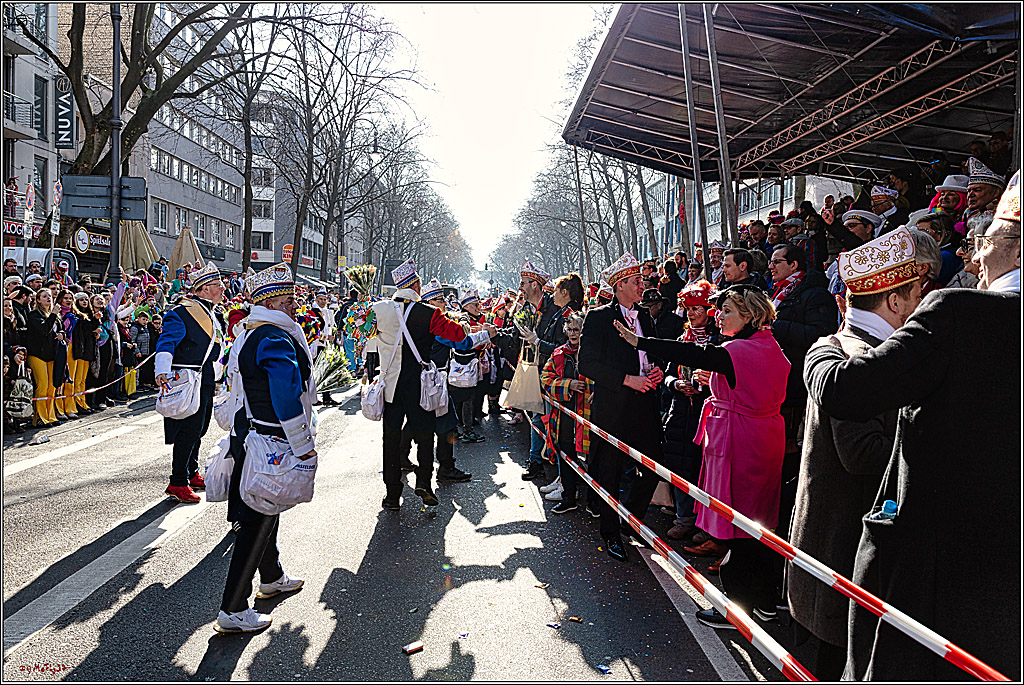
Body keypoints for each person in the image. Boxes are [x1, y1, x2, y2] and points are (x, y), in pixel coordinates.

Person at [802, 173, 1020, 681]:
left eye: (981, 244)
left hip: (934, 576)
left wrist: (822, 347)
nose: (968, 259)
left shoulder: (961, 313)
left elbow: (845, 391)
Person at [788, 227, 923, 680]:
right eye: (920, 294)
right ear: (895, 301)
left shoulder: (847, 345)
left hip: (831, 549)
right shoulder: (860, 357)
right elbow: (861, 452)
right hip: (841, 552)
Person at [615, 284, 790, 626]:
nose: (719, 315)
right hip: (766, 436)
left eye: (727, 311)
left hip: (740, 439)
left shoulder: (738, 350)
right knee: (761, 522)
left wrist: (640, 343)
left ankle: (737, 607)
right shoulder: (770, 346)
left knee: (739, 524)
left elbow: (692, 354)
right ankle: (766, 601)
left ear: (750, 316)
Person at [217, 262, 312, 634]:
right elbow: (286, 395)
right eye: (289, 300)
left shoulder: (251, 332)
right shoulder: (272, 336)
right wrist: (303, 444)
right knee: (257, 518)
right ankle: (233, 608)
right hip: (270, 438)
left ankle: (271, 576)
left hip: (252, 434)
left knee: (266, 510)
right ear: (271, 302)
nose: (295, 307)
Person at [371, 259, 480, 510]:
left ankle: (391, 494)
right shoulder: (430, 314)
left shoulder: (378, 309)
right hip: (419, 385)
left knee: (391, 438)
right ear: (416, 285)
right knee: (424, 437)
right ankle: (423, 483)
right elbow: (459, 335)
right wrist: (462, 322)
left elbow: (359, 335)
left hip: (390, 386)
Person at [578, 253, 665, 563]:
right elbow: (586, 364)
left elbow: (652, 352)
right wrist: (626, 380)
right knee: (610, 470)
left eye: (642, 279)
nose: (643, 285)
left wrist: (657, 370)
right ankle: (610, 531)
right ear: (620, 287)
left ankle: (631, 517)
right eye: (637, 281)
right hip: (614, 406)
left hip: (645, 404)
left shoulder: (645, 316)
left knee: (655, 464)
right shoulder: (598, 317)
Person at [490, 260, 569, 481]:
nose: (521, 287)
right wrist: (495, 335)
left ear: (535, 285)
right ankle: (537, 460)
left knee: (550, 420)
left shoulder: (555, 310)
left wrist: (539, 342)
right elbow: (514, 339)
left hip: (551, 373)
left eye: (524, 283)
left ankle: (555, 467)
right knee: (535, 417)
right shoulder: (523, 310)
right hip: (529, 370)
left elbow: (563, 346)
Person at [155, 263, 225, 504]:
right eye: (218, 285)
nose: (223, 288)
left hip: (206, 376)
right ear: (205, 289)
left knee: (201, 428)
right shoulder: (181, 312)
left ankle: (191, 471)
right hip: (187, 377)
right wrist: (162, 370)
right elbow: (166, 342)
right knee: (188, 431)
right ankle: (177, 481)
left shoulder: (214, 313)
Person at [660, 280, 718, 545]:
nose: (693, 313)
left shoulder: (720, 340)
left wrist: (708, 383)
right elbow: (667, 375)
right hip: (681, 414)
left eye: (698, 307)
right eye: (688, 308)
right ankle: (684, 519)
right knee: (681, 467)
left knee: (706, 471)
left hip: (708, 416)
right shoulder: (682, 340)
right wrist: (675, 384)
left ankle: (706, 525)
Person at [539, 311, 592, 513]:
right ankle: (569, 497)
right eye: (569, 329)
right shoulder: (559, 353)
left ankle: (594, 503)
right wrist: (568, 385)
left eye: (576, 329)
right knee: (566, 455)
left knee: (592, 460)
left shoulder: (593, 353)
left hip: (588, 414)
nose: (572, 333)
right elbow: (545, 379)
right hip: (564, 416)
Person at [26, 288, 65, 427]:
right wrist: (53, 315)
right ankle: (40, 418)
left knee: (51, 387)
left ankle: (50, 415)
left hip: (51, 355)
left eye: (49, 296)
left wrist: (62, 334)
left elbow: (60, 330)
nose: (48, 298)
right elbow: (44, 330)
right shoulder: (34, 315)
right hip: (37, 354)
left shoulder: (54, 315)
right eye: (44, 296)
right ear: (38, 300)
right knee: (42, 386)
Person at [964, 157, 1005, 227]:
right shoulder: (965, 215)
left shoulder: (1003, 217)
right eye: (969, 191)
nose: (970, 194)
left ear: (996, 192)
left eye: (977, 190)